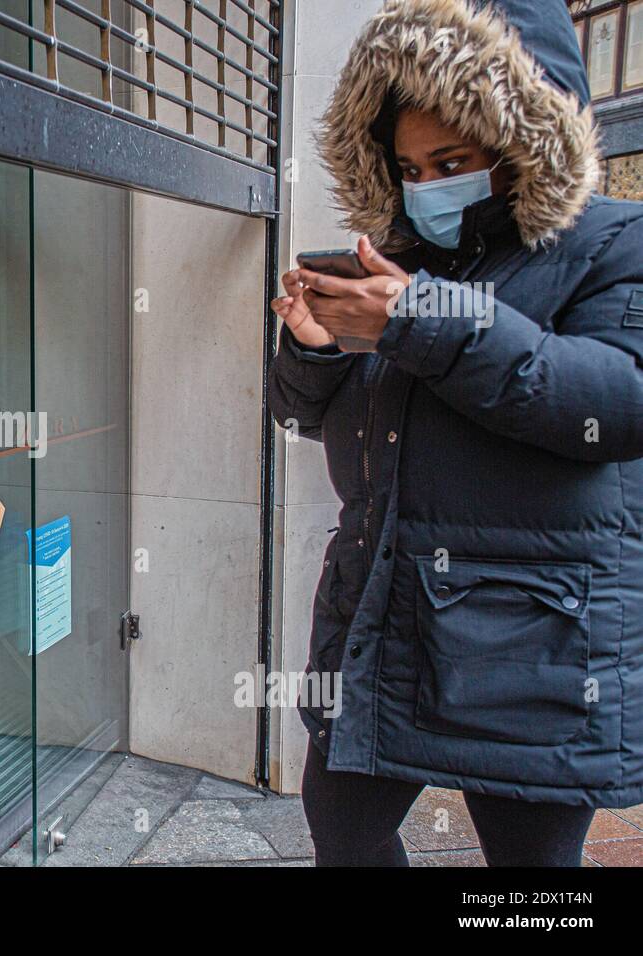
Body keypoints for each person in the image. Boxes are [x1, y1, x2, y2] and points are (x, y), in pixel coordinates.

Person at [269, 0, 643, 866]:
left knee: (531, 876)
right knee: (342, 824)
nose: (429, 185)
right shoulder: (399, 259)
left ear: (522, 144)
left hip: (536, 642)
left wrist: (422, 320)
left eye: (453, 161)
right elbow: (301, 417)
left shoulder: (613, 243)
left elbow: (618, 402)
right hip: (385, 607)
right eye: (409, 166)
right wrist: (311, 349)